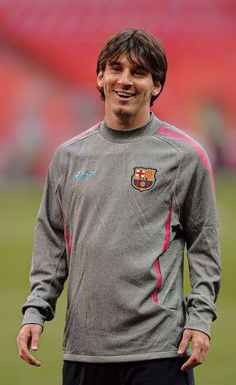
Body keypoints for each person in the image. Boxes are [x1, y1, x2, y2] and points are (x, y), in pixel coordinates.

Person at [17, 28, 221, 385]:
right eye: (115, 69)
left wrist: (200, 320)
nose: (124, 81)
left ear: (156, 85)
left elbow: (205, 246)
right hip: (84, 351)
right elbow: (52, 241)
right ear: (100, 76)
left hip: (161, 352)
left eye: (138, 72)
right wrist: (35, 311)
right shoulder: (68, 156)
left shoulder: (185, 156)